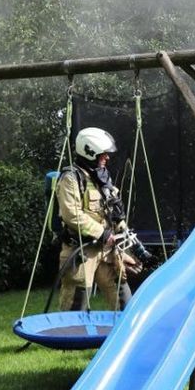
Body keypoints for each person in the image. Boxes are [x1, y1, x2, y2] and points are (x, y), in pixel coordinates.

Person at [55, 127, 139, 311]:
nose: (107, 158)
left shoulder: (102, 177)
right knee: (76, 307)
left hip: (107, 251)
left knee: (124, 301)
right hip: (81, 251)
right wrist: (103, 232)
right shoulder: (71, 178)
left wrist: (123, 229)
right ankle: (70, 339)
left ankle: (128, 338)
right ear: (89, 152)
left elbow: (112, 210)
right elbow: (72, 215)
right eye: (103, 154)